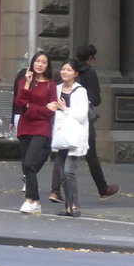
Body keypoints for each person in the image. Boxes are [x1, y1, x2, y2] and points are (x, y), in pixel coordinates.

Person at [51, 43, 119, 203]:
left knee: (61, 152)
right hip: (80, 123)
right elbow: (95, 99)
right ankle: (102, 189)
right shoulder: (88, 74)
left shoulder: (63, 75)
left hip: (61, 123)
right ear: (90, 58)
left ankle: (55, 191)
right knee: (90, 155)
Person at [14, 50, 57, 214]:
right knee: (27, 167)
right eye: (38, 61)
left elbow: (51, 111)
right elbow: (19, 103)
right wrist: (27, 84)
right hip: (25, 127)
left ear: (48, 65)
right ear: (32, 63)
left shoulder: (50, 84)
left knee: (29, 164)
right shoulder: (24, 81)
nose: (40, 64)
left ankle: (29, 200)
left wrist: (31, 108)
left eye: (44, 62)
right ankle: (36, 202)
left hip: (41, 128)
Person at [49, 60, 90, 217]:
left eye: (68, 70)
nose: (64, 72)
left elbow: (81, 116)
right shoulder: (57, 89)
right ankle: (68, 206)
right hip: (60, 135)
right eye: (63, 69)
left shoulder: (80, 91)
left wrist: (64, 108)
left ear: (76, 73)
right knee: (61, 171)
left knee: (68, 171)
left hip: (74, 136)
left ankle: (75, 205)